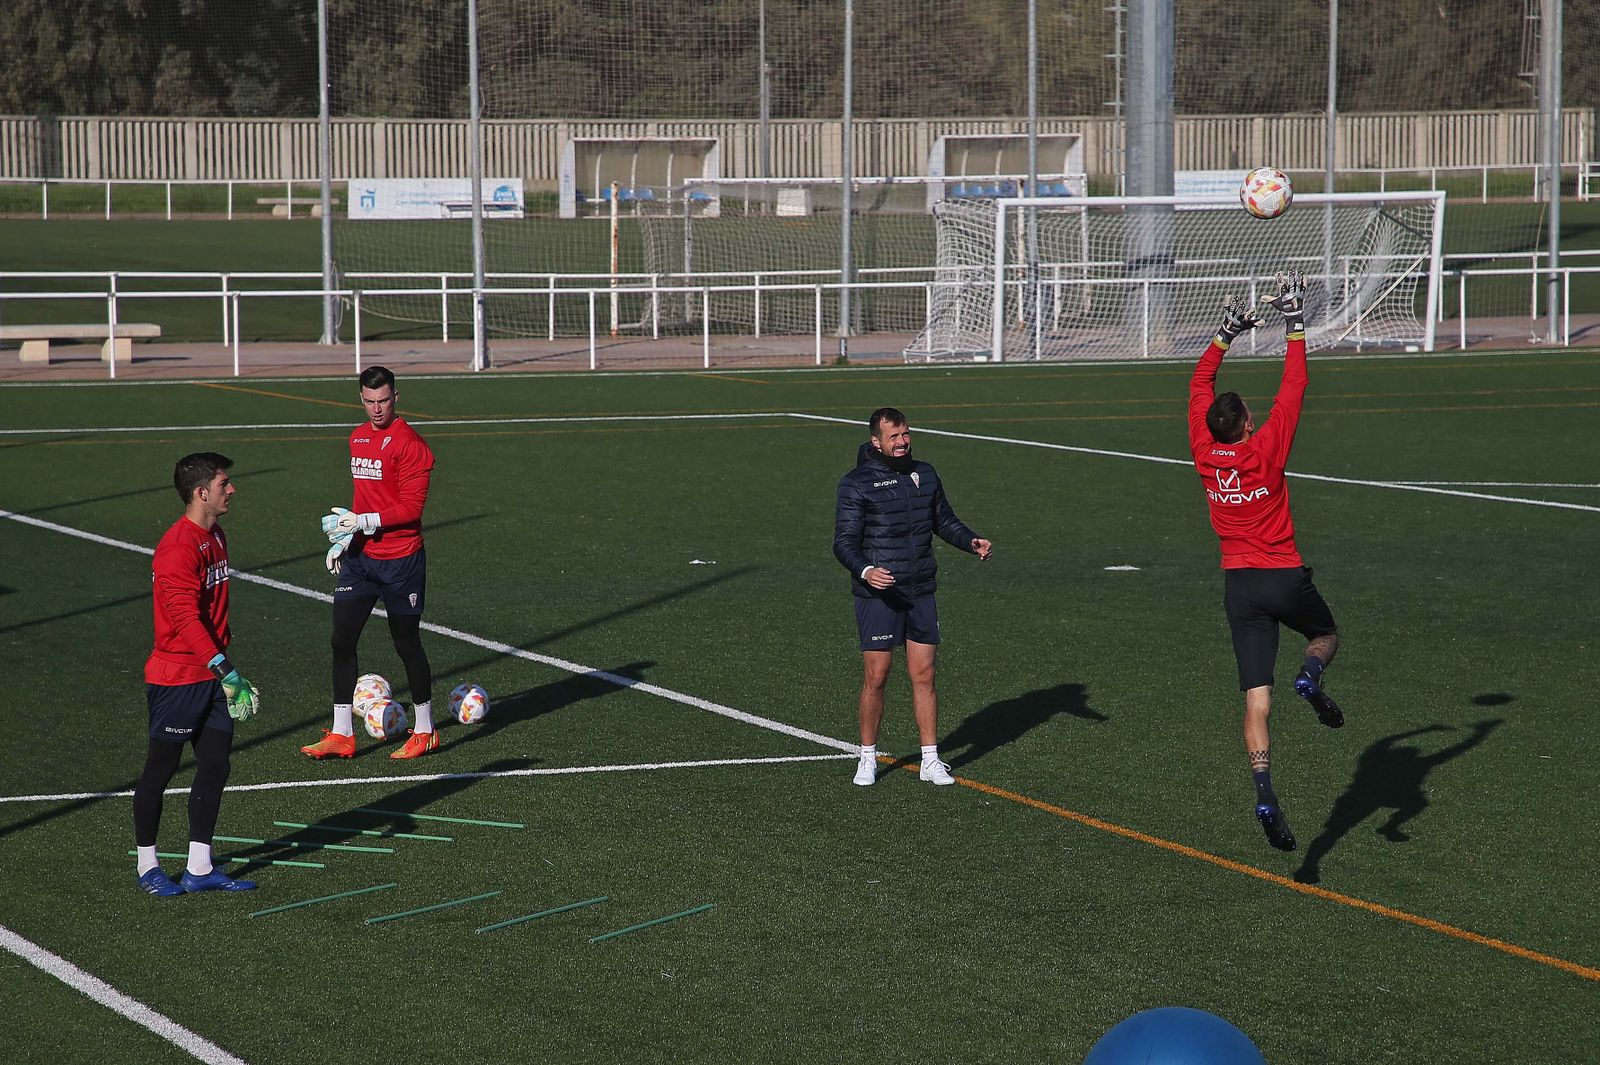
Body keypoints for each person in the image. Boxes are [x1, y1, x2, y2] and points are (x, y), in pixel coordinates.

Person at [1187, 271, 1347, 853]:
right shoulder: (1265, 449)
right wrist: (1295, 322)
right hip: (1282, 576)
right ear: (1247, 425)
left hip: (1239, 588)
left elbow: (1199, 380)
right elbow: (1295, 385)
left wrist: (1226, 334)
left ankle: (1263, 789)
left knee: (1257, 698)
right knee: (1325, 632)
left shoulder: (1204, 450)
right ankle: (1311, 676)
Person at [833, 407, 992, 787]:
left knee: (925, 675)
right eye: (894, 437)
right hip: (879, 596)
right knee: (877, 676)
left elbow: (943, 521)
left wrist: (970, 541)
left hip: (921, 589)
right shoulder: (855, 484)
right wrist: (868, 571)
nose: (902, 442)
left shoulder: (927, 473)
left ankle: (930, 760)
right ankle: (867, 756)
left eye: (905, 434)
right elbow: (843, 543)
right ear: (876, 441)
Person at [135, 452, 260, 896]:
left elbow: (211, 612)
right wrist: (225, 668)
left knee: (215, 765)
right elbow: (186, 620)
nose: (232, 489)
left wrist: (224, 661)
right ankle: (148, 866)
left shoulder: (216, 535)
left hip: (210, 673)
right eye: (225, 483)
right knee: (161, 769)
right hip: (178, 678)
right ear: (201, 492)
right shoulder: (177, 548)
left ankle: (200, 867)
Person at [301, 365, 439, 760]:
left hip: (401, 561)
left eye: (383, 400)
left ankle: (426, 728)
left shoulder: (412, 445)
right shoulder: (358, 438)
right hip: (361, 559)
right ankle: (342, 733)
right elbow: (364, 497)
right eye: (369, 401)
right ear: (360, 399)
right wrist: (347, 539)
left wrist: (362, 522)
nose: (376, 409)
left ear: (396, 397)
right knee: (341, 639)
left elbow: (411, 509)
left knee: (405, 642)